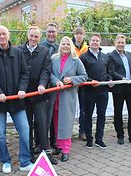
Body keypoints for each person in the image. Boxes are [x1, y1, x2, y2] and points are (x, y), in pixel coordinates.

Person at [0, 25, 33, 173]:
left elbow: (25, 73)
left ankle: (25, 161)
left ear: (9, 35)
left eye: (4, 34)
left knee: (25, 130)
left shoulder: (18, 53)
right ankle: (5, 161)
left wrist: (22, 89)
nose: (2, 37)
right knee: (0, 134)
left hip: (17, 100)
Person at [18, 26, 58, 165]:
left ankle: (46, 152)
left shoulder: (44, 51)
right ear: (27, 35)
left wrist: (42, 84)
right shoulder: (19, 51)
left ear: (39, 38)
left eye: (36, 36)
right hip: (24, 94)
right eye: (31, 36)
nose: (33, 39)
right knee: (27, 125)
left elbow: (46, 70)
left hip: (39, 93)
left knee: (42, 124)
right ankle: (29, 154)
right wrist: (21, 89)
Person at [48, 36, 87, 162]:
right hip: (55, 96)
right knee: (56, 122)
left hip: (67, 97)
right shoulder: (53, 59)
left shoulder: (76, 60)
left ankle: (66, 149)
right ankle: (58, 146)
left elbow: (84, 76)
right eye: (63, 44)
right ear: (60, 45)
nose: (65, 46)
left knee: (66, 123)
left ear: (71, 46)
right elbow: (49, 74)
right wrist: (56, 81)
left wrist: (72, 80)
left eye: (67, 44)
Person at [80, 34, 111, 149]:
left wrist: (109, 80)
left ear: (100, 42)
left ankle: (99, 139)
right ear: (89, 42)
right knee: (88, 115)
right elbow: (81, 75)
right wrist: (90, 81)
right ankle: (89, 139)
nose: (95, 42)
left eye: (97, 41)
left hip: (103, 91)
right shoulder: (83, 57)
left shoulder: (105, 57)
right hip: (89, 91)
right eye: (93, 40)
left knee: (101, 115)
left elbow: (108, 72)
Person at [108, 34, 131, 146]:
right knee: (118, 113)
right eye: (119, 42)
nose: (121, 44)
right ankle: (120, 136)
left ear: (125, 43)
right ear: (115, 43)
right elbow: (111, 71)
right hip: (119, 88)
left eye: (122, 42)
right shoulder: (110, 55)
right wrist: (122, 78)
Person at [40, 23, 59, 152]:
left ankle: (53, 141)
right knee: (42, 116)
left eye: (53, 31)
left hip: (56, 87)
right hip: (42, 86)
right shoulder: (41, 46)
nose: (51, 34)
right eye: (49, 31)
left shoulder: (60, 47)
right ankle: (40, 143)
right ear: (45, 33)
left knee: (53, 116)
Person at [73, 27, 89, 141]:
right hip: (72, 82)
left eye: (81, 34)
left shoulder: (87, 49)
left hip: (83, 83)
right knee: (69, 108)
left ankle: (82, 131)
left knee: (84, 108)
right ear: (74, 35)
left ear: (84, 35)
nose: (79, 36)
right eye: (77, 34)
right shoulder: (69, 47)